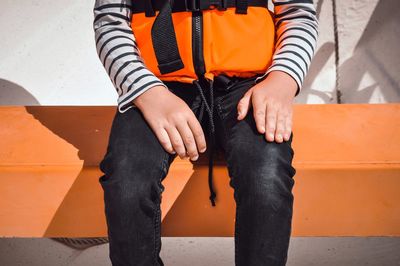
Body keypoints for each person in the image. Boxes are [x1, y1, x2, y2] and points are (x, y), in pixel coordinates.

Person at [92, 0, 318, 265]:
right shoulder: (152, 93)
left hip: (250, 86)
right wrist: (146, 92)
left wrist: (283, 79)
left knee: (266, 178)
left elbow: (299, 15)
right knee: (127, 181)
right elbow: (110, 23)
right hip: (157, 90)